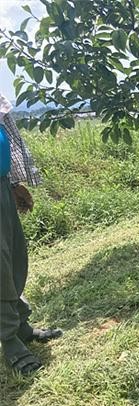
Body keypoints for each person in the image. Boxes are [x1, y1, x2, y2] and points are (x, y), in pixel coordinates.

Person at [0, 93, 63, 375]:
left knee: (14, 258)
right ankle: (9, 340)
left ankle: (21, 326)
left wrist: (13, 184)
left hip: (2, 185)